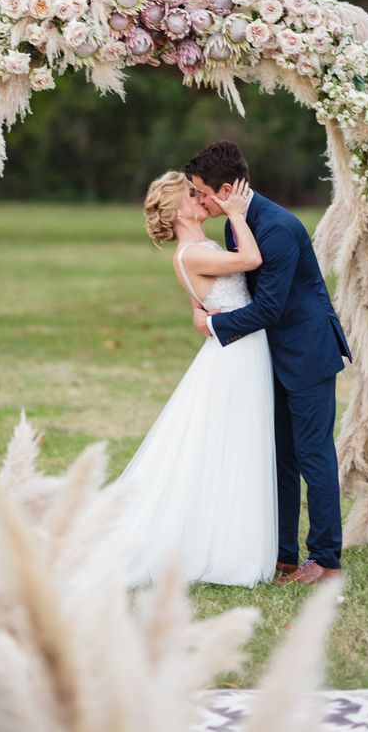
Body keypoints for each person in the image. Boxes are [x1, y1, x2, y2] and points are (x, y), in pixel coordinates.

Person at [186, 141, 352, 586]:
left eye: (201, 193)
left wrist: (214, 328)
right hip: (270, 356)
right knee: (279, 456)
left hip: (307, 352)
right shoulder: (235, 227)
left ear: (224, 190)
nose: (198, 201)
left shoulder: (276, 226)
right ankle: (282, 554)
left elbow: (270, 308)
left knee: (313, 455)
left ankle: (326, 560)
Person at [114, 170, 277, 588]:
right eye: (193, 194)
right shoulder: (192, 252)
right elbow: (251, 261)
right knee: (232, 443)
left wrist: (200, 316)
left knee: (231, 444)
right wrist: (238, 214)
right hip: (236, 353)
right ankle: (226, 550)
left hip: (238, 346)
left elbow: (200, 305)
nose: (202, 198)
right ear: (179, 207)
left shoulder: (198, 248)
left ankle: (227, 538)